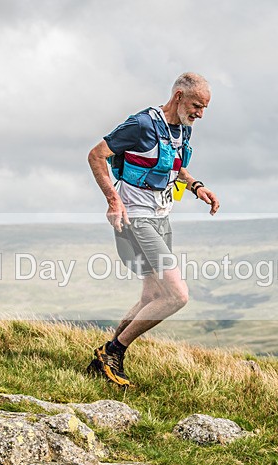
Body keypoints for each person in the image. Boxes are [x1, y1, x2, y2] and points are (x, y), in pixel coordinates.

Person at [86, 72, 220, 388]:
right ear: (178, 97)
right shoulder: (142, 124)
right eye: (196, 105)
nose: (199, 114)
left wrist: (196, 186)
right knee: (176, 295)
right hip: (135, 218)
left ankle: (101, 361)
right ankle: (114, 351)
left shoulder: (181, 130)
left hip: (161, 217)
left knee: (154, 294)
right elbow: (96, 156)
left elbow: (173, 163)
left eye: (204, 109)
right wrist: (113, 200)